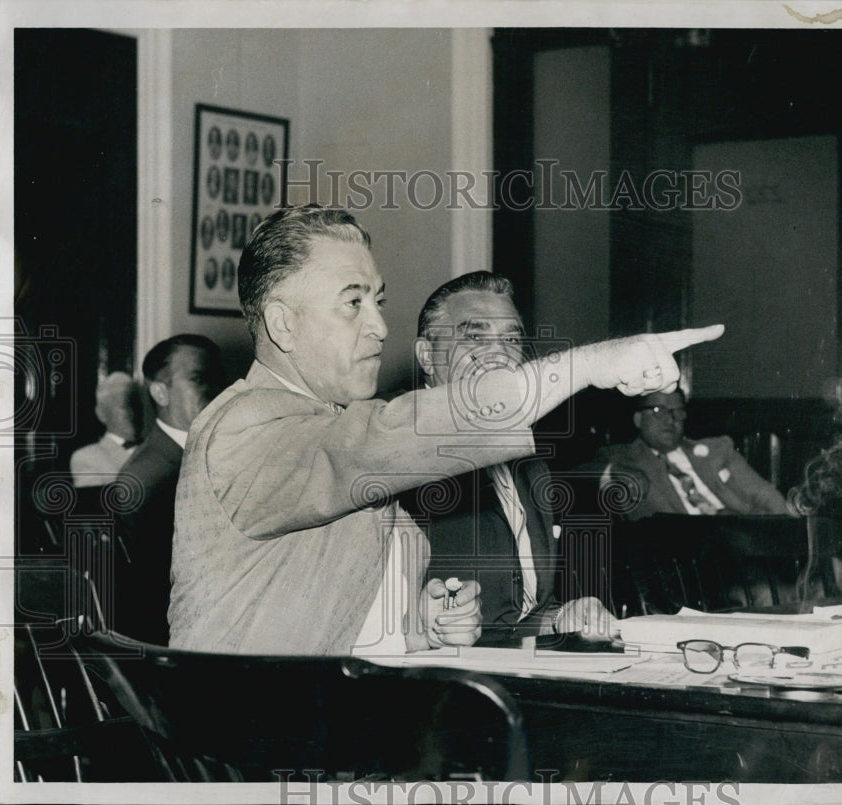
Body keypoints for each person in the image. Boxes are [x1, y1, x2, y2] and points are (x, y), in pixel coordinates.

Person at [167, 204, 722, 656]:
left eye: (378, 301)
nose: (380, 326)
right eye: (352, 303)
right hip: (251, 755)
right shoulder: (246, 425)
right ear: (283, 322)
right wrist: (590, 366)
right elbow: (377, 441)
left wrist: (422, 625)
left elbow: (329, 611)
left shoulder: (326, 423)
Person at [403, 272, 613, 644]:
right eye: (475, 336)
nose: (499, 354)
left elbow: (511, 620)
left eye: (511, 338)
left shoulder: (528, 462)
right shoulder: (401, 454)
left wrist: (562, 616)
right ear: (427, 356)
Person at [114, 334, 226, 644]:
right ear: (161, 392)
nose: (217, 390)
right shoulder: (145, 478)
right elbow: (152, 597)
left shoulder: (218, 452)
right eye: (199, 379)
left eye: (220, 379)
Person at [595, 388, 793, 520]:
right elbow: (580, 476)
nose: (670, 420)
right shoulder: (620, 458)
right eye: (658, 410)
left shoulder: (718, 449)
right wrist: (614, 473)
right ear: (638, 419)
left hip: (739, 543)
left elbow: (765, 495)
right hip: (680, 561)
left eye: (677, 411)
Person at [70, 372, 141, 488]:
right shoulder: (87, 458)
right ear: (101, 414)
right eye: (124, 406)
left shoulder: (160, 449)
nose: (132, 413)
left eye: (136, 405)